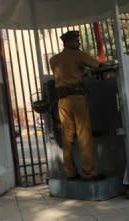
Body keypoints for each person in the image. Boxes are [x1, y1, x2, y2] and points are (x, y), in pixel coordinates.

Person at [49, 30, 105, 181]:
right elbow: (98, 65)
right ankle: (89, 172)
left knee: (67, 137)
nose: (78, 43)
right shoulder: (78, 55)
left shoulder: (53, 60)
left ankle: (70, 173)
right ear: (68, 42)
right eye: (76, 40)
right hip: (77, 98)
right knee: (84, 135)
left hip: (62, 101)